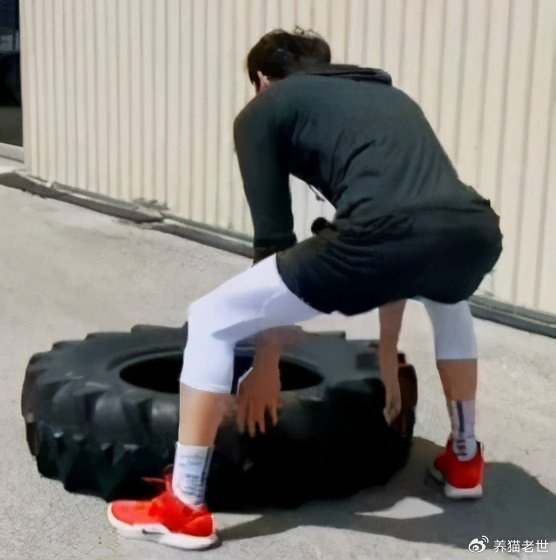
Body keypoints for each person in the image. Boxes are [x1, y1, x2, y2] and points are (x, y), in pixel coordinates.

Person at [107, 28, 502, 550]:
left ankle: (184, 505)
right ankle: (465, 458)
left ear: (262, 79)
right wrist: (386, 349)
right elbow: (408, 237)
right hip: (473, 232)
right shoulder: (386, 97)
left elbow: (274, 240)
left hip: (388, 235)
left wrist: (267, 360)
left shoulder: (265, 109)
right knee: (450, 300)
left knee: (211, 318)